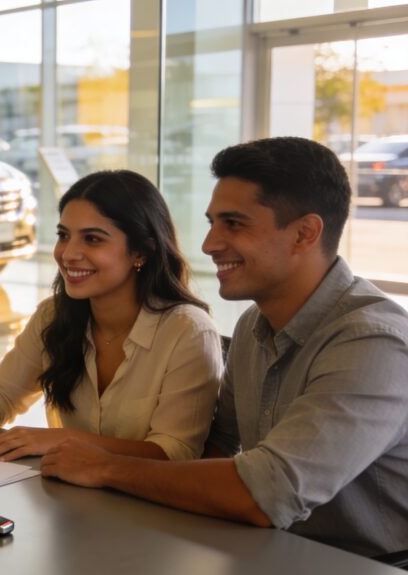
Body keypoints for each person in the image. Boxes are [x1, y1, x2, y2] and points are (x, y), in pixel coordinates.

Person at [40, 137, 408, 557]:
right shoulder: (255, 324)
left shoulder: (373, 342)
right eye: (212, 222)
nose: (209, 243)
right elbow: (216, 447)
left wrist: (104, 467)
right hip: (264, 549)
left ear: (305, 233)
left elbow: (267, 492)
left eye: (233, 224)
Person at [0, 170, 223, 463]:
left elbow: (177, 453)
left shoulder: (188, 331)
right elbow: (1, 392)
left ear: (141, 252)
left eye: (92, 239)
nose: (68, 253)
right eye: (64, 235)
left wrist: (66, 440)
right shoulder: (54, 314)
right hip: (69, 499)